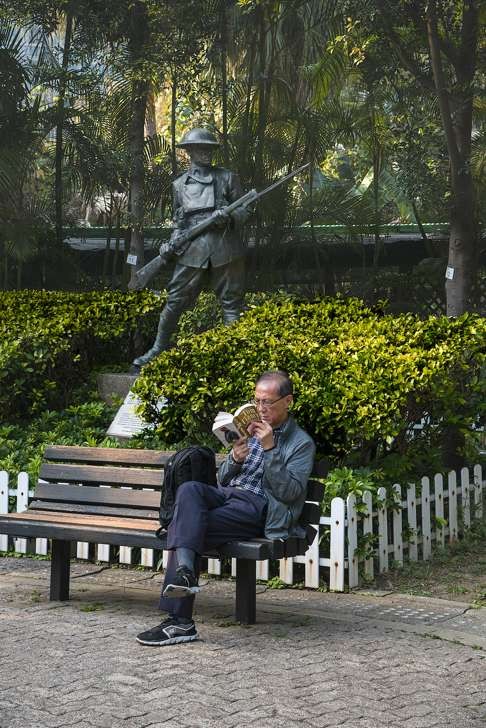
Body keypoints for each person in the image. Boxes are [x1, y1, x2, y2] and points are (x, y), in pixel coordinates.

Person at [136, 370, 316, 646]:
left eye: (267, 402)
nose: (261, 409)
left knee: (183, 527)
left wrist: (270, 448)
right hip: (226, 496)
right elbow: (221, 479)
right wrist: (234, 458)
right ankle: (185, 573)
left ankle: (180, 622)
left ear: (288, 401)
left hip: (257, 508)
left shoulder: (300, 443)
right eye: (257, 402)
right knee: (189, 489)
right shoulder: (251, 429)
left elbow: (289, 493)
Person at [132, 128, 250, 371]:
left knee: (231, 303)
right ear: (189, 152)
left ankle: (236, 355)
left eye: (209, 149)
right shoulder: (178, 185)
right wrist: (172, 243)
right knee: (174, 300)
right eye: (200, 149)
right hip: (192, 249)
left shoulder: (227, 177)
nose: (205, 153)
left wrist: (227, 218)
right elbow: (180, 222)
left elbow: (246, 209)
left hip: (224, 247)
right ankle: (158, 348)